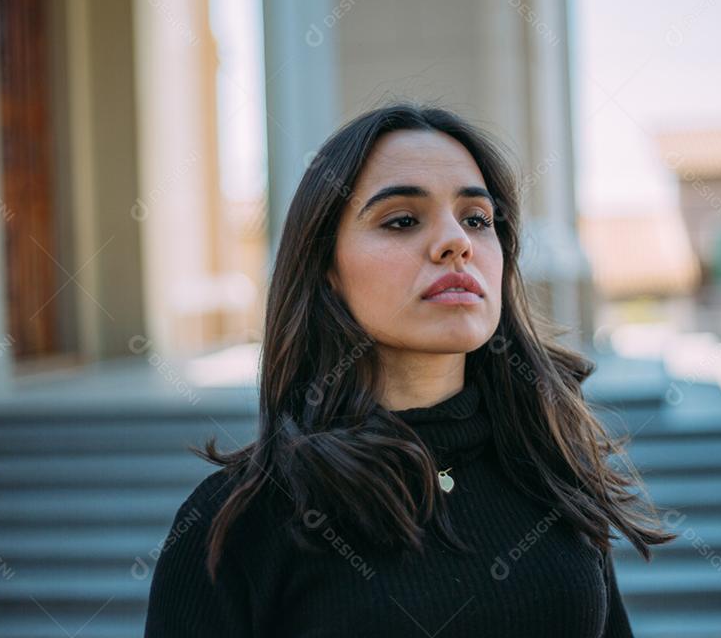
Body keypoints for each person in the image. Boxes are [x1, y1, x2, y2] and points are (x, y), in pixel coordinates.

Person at [143, 102, 675, 637]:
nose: (457, 242)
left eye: (476, 219)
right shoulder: (241, 521)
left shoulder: (550, 466)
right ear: (325, 270)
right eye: (402, 220)